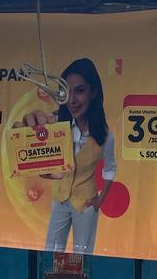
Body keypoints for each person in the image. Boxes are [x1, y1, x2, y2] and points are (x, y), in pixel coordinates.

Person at [26, 58, 116, 254]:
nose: (72, 100)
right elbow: (39, 157)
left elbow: (110, 169)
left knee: (82, 252)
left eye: (80, 91)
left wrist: (99, 201)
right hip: (60, 199)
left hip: (85, 202)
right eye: (66, 92)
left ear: (93, 92)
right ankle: (55, 276)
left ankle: (78, 277)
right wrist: (29, 129)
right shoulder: (55, 124)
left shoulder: (105, 135)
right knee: (51, 249)